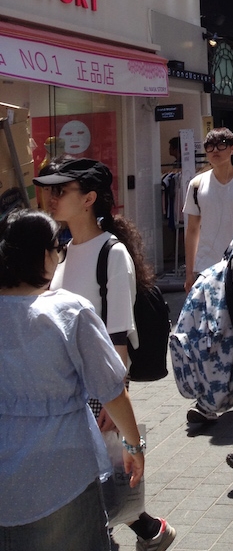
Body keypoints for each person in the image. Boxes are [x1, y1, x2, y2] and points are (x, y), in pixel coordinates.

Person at [33, 158, 174, 551]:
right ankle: (147, 530)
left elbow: (119, 340)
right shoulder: (61, 252)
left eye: (61, 191)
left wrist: (114, 400)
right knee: (85, 481)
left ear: (89, 198)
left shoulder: (111, 253)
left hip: (97, 388)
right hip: (64, 387)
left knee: (89, 482)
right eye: (50, 190)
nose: (52, 198)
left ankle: (128, 533)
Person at [0, 208, 145, 551]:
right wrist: (133, 445)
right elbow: (112, 390)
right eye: (58, 248)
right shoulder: (69, 311)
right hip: (64, 469)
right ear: (44, 255)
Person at [182, 128, 233, 425]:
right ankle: (208, 401)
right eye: (209, 146)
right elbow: (192, 229)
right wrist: (190, 272)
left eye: (221, 145)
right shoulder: (197, 184)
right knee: (209, 336)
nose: (215, 150)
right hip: (208, 272)